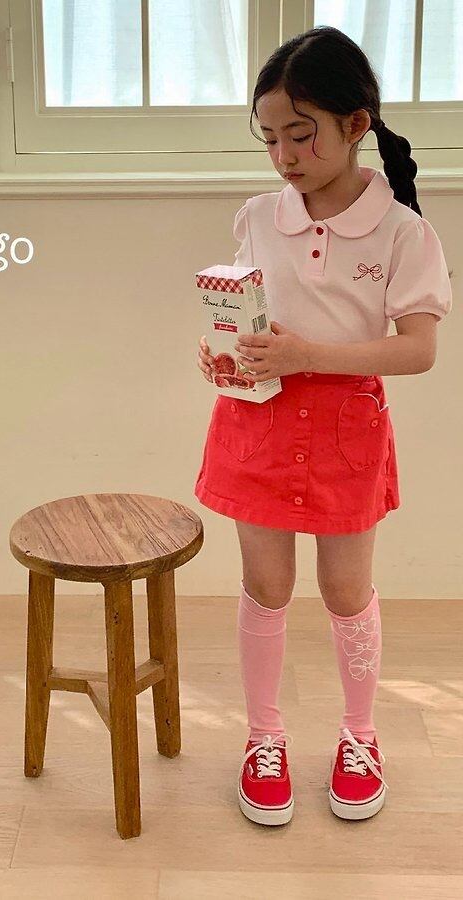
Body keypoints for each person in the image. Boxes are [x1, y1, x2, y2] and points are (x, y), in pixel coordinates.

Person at [193, 26, 452, 827]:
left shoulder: (402, 230)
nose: (284, 155)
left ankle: (360, 736)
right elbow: (246, 317)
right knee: (266, 588)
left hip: (346, 430)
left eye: (300, 134)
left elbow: (419, 351)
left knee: (345, 592)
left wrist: (309, 355)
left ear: (355, 123)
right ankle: (263, 736)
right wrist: (224, 355)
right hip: (258, 423)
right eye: (270, 137)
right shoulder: (257, 217)